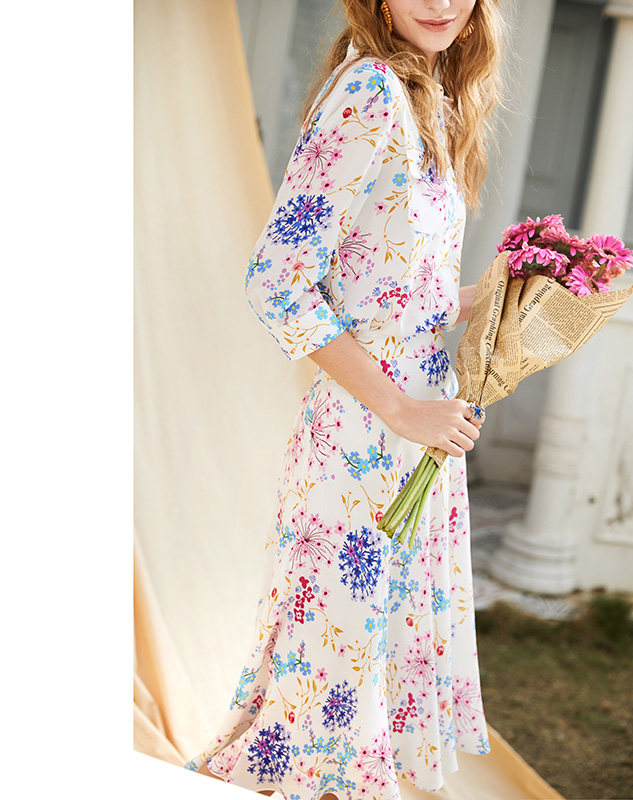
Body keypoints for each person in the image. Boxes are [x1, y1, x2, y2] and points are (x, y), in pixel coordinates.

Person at [183, 1, 507, 797]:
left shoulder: (435, 100)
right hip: (366, 436)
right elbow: (277, 282)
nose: (439, 3)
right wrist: (400, 410)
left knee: (365, 665)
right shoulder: (371, 91)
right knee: (333, 670)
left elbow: (394, 292)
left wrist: (502, 298)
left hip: (420, 432)